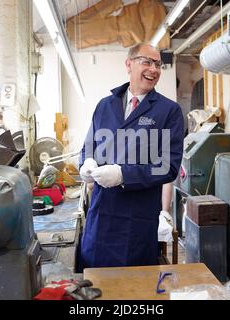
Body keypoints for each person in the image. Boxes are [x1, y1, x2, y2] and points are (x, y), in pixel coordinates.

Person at [78, 43, 184, 269]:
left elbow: (168, 166)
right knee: (95, 280)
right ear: (129, 64)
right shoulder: (105, 105)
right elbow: (89, 146)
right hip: (102, 213)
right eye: (147, 61)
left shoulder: (168, 111)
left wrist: (122, 175)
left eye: (157, 64)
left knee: (133, 284)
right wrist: (85, 164)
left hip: (137, 217)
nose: (154, 69)